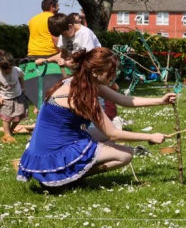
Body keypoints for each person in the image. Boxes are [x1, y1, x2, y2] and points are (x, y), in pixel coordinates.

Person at [16, 48, 174, 188]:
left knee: (105, 135)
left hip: (50, 145)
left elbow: (123, 100)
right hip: (53, 153)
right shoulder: (84, 95)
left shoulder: (79, 81)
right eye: (110, 73)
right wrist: (150, 136)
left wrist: (160, 101)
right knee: (125, 154)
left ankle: (68, 173)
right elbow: (114, 134)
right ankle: (69, 178)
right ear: (95, 73)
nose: (113, 76)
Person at [0, 50, 27, 142]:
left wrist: (23, 88)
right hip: (5, 98)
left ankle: (11, 129)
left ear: (12, 65)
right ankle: (7, 134)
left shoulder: (16, 70)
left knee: (20, 114)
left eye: (8, 69)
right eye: (4, 69)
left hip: (18, 95)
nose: (7, 71)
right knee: (6, 117)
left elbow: (21, 78)